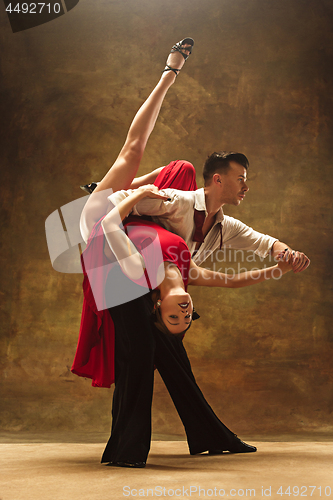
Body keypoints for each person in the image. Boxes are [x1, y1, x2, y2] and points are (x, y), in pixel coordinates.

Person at [72, 38, 294, 468]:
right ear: (218, 182)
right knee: (137, 152)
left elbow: (242, 259)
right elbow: (115, 221)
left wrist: (278, 260)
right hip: (110, 227)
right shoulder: (177, 229)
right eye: (186, 315)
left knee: (158, 348)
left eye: (178, 314)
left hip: (120, 234)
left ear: (161, 305)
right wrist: (173, 71)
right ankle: (132, 449)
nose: (187, 310)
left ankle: (198, 436)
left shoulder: (200, 239)